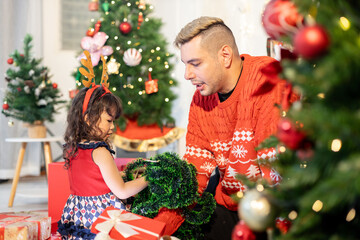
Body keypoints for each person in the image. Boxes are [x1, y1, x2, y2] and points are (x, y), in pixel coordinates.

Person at [159, 16, 295, 239]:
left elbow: (278, 177)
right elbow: (195, 173)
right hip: (230, 203)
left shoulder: (268, 82)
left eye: (195, 63)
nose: (187, 75)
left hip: (269, 211)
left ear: (224, 56)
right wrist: (158, 230)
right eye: (185, 64)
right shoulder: (201, 99)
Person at [57, 86, 148, 239]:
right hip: (101, 218)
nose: (113, 127)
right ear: (88, 119)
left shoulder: (72, 148)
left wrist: (123, 173)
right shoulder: (100, 151)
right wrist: (150, 177)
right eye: (109, 121)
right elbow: (122, 191)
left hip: (79, 217)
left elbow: (93, 178)